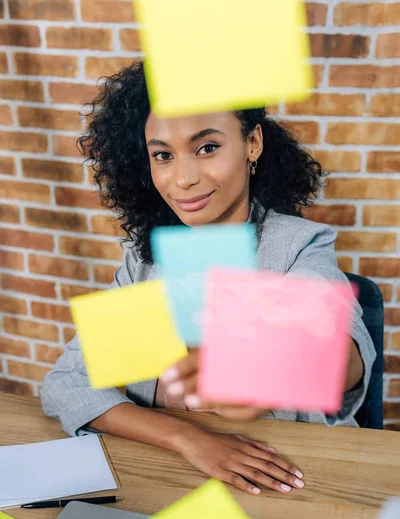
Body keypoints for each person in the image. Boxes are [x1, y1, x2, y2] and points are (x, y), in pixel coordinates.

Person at [41, 61, 375, 496]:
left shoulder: (295, 248)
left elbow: (343, 358)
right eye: (163, 155)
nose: (183, 178)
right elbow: (67, 384)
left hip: (289, 482)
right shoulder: (148, 264)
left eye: (207, 148)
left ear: (252, 142)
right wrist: (189, 439)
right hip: (172, 481)